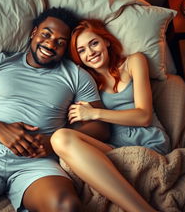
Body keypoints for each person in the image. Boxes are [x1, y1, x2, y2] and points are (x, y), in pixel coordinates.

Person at [0, 8, 110, 212]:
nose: (50, 44)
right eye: (46, 34)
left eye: (60, 41)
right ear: (34, 33)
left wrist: (53, 142)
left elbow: (101, 128)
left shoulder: (77, 76)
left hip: (37, 163)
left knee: (67, 207)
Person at [51, 19, 171, 212]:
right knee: (61, 138)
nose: (90, 53)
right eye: (81, 50)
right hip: (113, 150)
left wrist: (94, 113)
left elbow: (144, 116)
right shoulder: (86, 84)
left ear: (106, 41)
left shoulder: (134, 62)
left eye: (94, 43)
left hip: (148, 143)